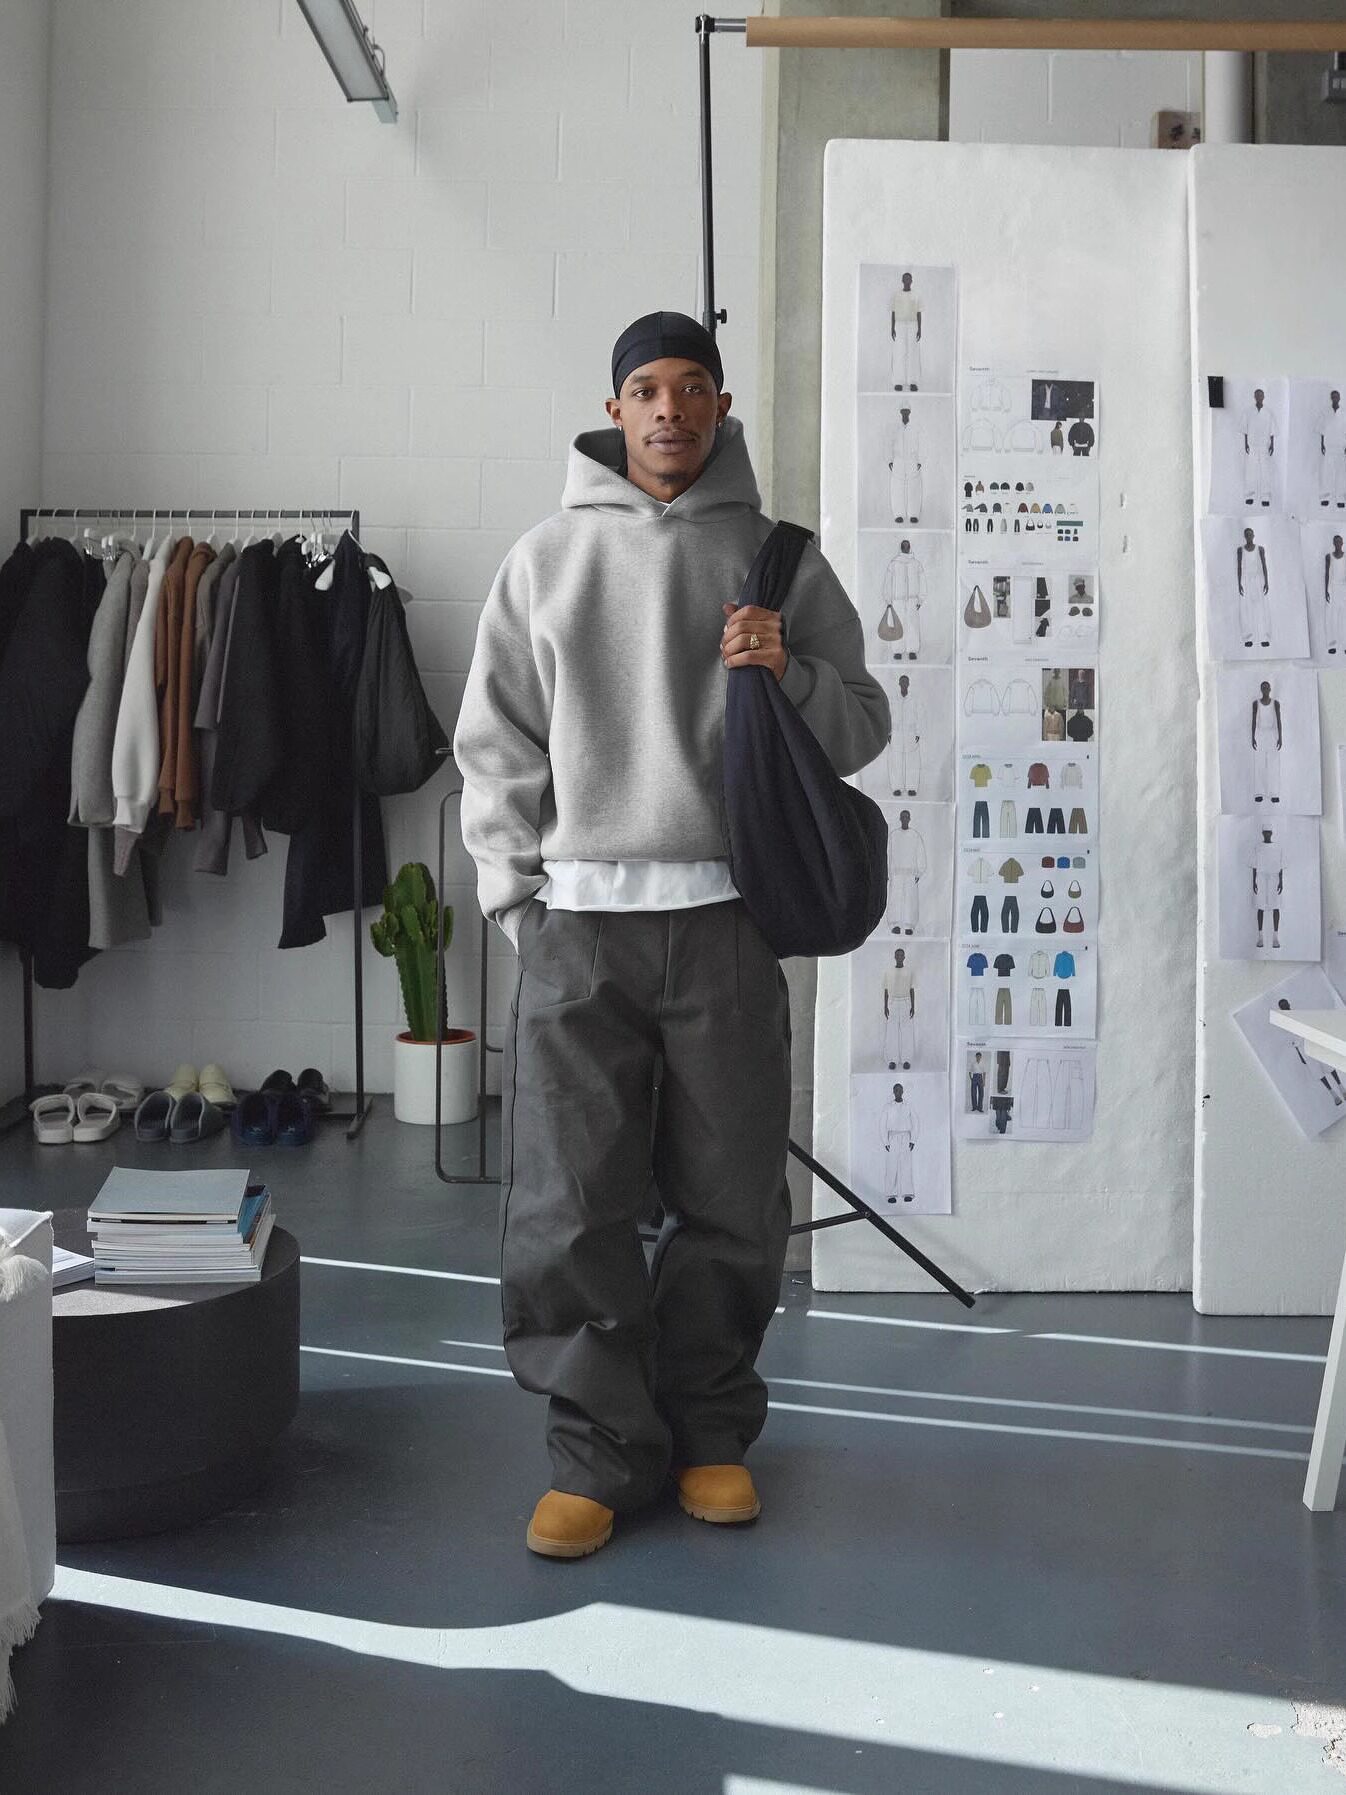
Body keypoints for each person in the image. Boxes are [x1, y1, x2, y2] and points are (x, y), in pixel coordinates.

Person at [453, 309, 889, 1560]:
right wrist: (518, 902)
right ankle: (595, 1450)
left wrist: (787, 671)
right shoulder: (543, 559)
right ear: (612, 410)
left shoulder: (777, 558)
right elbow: (494, 744)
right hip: (579, 929)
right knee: (568, 1202)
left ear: (721, 405)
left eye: (692, 386)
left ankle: (707, 1432)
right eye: (645, 388)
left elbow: (860, 724)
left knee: (732, 1196)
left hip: (726, 926)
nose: (668, 409)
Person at [1240, 387, 1276, 507]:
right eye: (1257, 395)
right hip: (1253, 446)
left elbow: (1272, 430)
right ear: (1254, 397)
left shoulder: (1268, 413)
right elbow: (1245, 429)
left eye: (1261, 395)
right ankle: (1249, 496)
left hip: (1265, 446)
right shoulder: (1248, 412)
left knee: (1266, 472)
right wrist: (1246, 443)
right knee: (1251, 471)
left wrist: (1272, 444)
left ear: (1263, 397)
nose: (1259, 397)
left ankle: (1265, 497)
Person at [890, 271, 922, 391]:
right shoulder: (896, 295)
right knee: (899, 352)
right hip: (900, 325)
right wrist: (892, 327)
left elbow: (919, 312)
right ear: (902, 280)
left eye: (909, 279)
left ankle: (913, 382)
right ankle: (898, 381)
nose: (907, 281)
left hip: (913, 325)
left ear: (911, 281)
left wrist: (919, 329)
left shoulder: (916, 295)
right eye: (905, 279)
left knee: (912, 353)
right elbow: (893, 312)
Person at [1252, 825, 1283, 950]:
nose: (1267, 834)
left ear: (1272, 833)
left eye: (1269, 832)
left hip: (1274, 877)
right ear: (1262, 833)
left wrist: (1281, 881)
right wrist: (1254, 881)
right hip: (1261, 877)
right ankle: (1260, 937)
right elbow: (1254, 866)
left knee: (1276, 906)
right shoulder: (1258, 847)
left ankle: (1275, 937)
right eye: (1265, 832)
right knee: (1260, 907)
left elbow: (1280, 865)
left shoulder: (1277, 847)